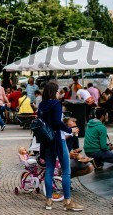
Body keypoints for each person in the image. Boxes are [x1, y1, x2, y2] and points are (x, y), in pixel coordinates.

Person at [38, 82, 83, 211]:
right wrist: (70, 130)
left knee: (49, 171)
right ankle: (67, 202)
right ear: (54, 92)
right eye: (57, 91)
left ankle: (48, 201)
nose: (59, 93)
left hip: (47, 141)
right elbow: (57, 122)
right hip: (58, 140)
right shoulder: (56, 104)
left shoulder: (42, 105)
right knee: (66, 171)